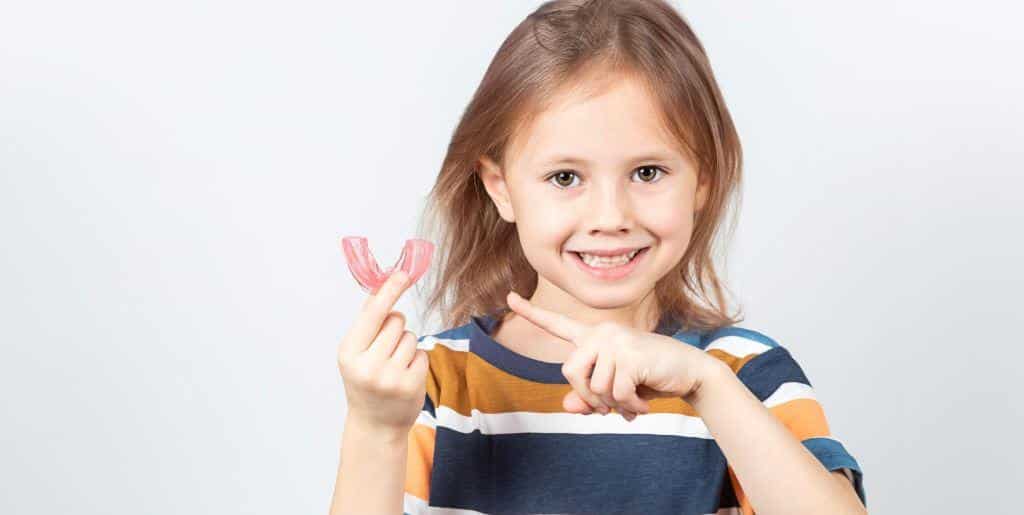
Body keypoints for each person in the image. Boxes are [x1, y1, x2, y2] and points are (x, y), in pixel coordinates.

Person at [331, 1, 867, 513]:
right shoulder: (436, 385)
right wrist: (375, 430)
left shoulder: (743, 375)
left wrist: (707, 387)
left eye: (647, 173)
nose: (610, 216)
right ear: (501, 188)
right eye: (565, 177)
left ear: (702, 179)